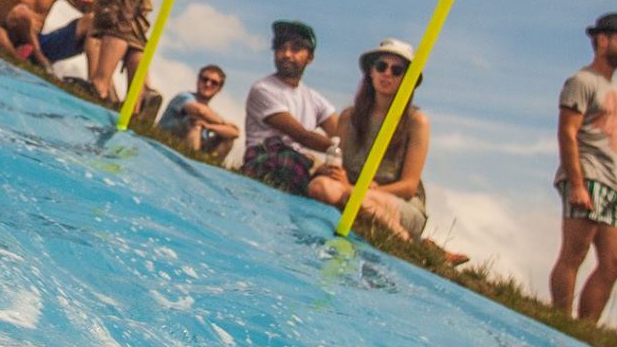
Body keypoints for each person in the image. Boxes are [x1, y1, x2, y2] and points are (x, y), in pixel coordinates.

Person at [319, 38, 468, 263]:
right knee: (319, 186)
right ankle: (407, 239)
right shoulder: (349, 116)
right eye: (381, 66)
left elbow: (408, 187)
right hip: (351, 188)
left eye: (397, 70)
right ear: (371, 72)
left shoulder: (417, 121)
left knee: (358, 200)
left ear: (406, 80)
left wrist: (366, 189)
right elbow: (341, 164)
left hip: (397, 201)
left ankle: (417, 251)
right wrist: (333, 173)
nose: (387, 74)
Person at [549, 12, 617, 323]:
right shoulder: (581, 81)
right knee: (575, 252)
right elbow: (567, 131)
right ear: (602, 41)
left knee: (615, 261)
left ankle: (586, 327)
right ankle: (560, 319)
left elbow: (615, 146)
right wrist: (576, 183)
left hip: (611, 182)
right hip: (585, 174)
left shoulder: (615, 91)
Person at [240, 22, 338, 194]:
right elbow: (302, 136)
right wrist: (336, 150)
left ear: (310, 58)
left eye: (295, 49)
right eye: (281, 48)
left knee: (333, 179)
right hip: (266, 158)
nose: (286, 54)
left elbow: (341, 133)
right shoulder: (262, 89)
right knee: (289, 162)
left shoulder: (314, 99)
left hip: (300, 162)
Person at [159, 65, 239, 157]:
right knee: (195, 125)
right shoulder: (184, 97)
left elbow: (235, 132)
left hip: (197, 147)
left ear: (219, 89)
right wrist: (222, 122)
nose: (208, 84)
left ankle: (210, 163)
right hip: (166, 143)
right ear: (198, 80)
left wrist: (208, 126)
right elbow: (199, 110)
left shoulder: (212, 114)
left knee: (227, 138)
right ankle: (191, 158)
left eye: (214, 83)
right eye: (204, 79)